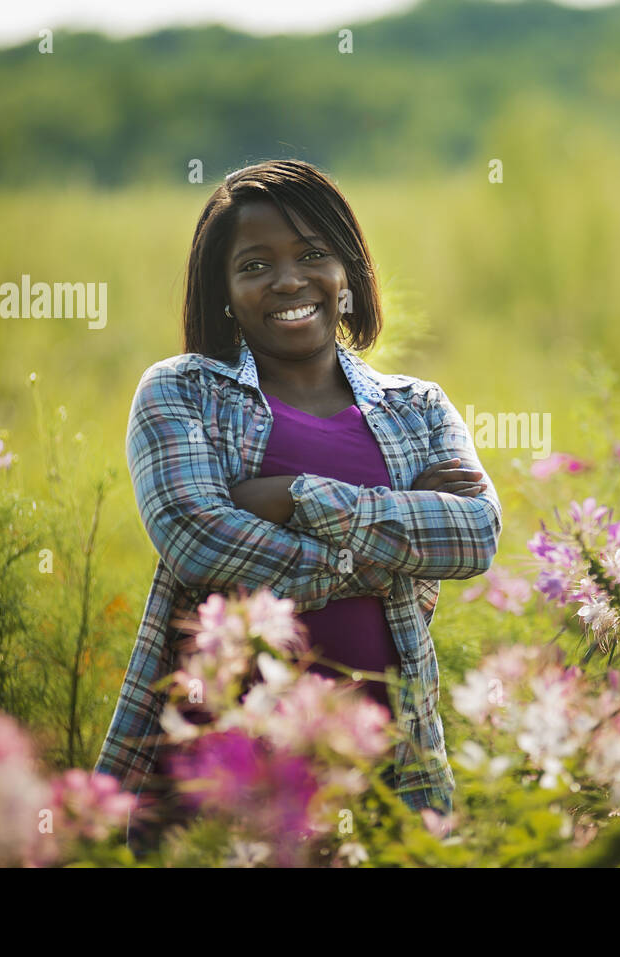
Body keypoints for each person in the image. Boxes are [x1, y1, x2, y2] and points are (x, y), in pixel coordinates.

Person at [93, 159, 502, 856]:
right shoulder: (180, 393)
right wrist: (391, 544)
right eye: (255, 265)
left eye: (313, 254)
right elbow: (200, 541)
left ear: (349, 275)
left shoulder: (418, 406)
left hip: (381, 775)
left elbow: (475, 534)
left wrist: (294, 495)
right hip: (216, 774)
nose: (288, 281)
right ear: (223, 291)